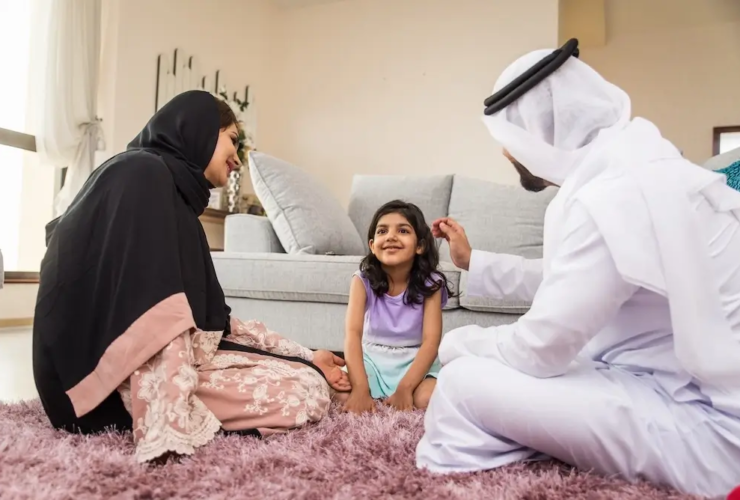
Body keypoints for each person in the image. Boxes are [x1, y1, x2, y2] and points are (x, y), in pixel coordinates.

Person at [415, 43, 740, 498]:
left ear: (533, 136)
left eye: (509, 142)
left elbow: (539, 351)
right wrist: (475, 263)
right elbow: (572, 276)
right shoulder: (646, 166)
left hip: (711, 434)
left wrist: (456, 344)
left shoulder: (611, 195)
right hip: (674, 387)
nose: (507, 156)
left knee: (462, 383)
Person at [32, 90, 351, 464]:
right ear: (198, 128)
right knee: (305, 393)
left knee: (308, 378)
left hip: (145, 363)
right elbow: (153, 314)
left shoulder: (170, 194)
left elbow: (216, 324)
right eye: (233, 140)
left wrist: (308, 355)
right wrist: (165, 425)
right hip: (99, 385)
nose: (238, 158)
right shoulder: (142, 174)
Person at [342, 201, 452, 414]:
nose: (391, 236)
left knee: (428, 399)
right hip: (372, 360)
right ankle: (367, 390)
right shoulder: (361, 281)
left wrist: (405, 388)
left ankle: (403, 391)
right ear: (373, 246)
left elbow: (431, 341)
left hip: (415, 361)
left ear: (419, 246)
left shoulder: (432, 283)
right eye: (383, 231)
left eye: (402, 230)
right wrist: (360, 389)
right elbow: (352, 335)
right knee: (339, 392)